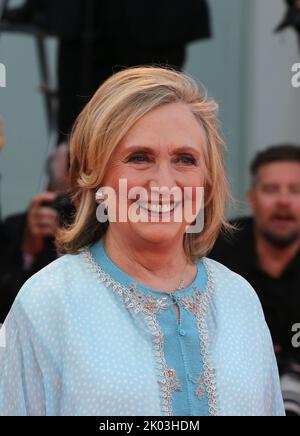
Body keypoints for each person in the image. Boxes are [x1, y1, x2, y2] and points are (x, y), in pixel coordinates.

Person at [0, 67, 284, 416]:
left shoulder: (239, 299)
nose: (163, 183)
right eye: (139, 158)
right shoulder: (49, 302)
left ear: (207, 182)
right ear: (97, 175)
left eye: (185, 159)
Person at [2, 0, 212, 142]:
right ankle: (72, 196)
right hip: (86, 18)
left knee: (148, 118)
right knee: (78, 127)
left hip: (154, 21)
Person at [210, 145, 300, 372]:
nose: (283, 201)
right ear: (252, 199)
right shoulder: (212, 250)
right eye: (271, 189)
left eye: (296, 190)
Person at [0, 144, 71, 324]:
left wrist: (69, 245)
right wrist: (28, 251)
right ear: (49, 190)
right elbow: (7, 311)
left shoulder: (107, 228)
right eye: (63, 200)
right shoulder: (17, 227)